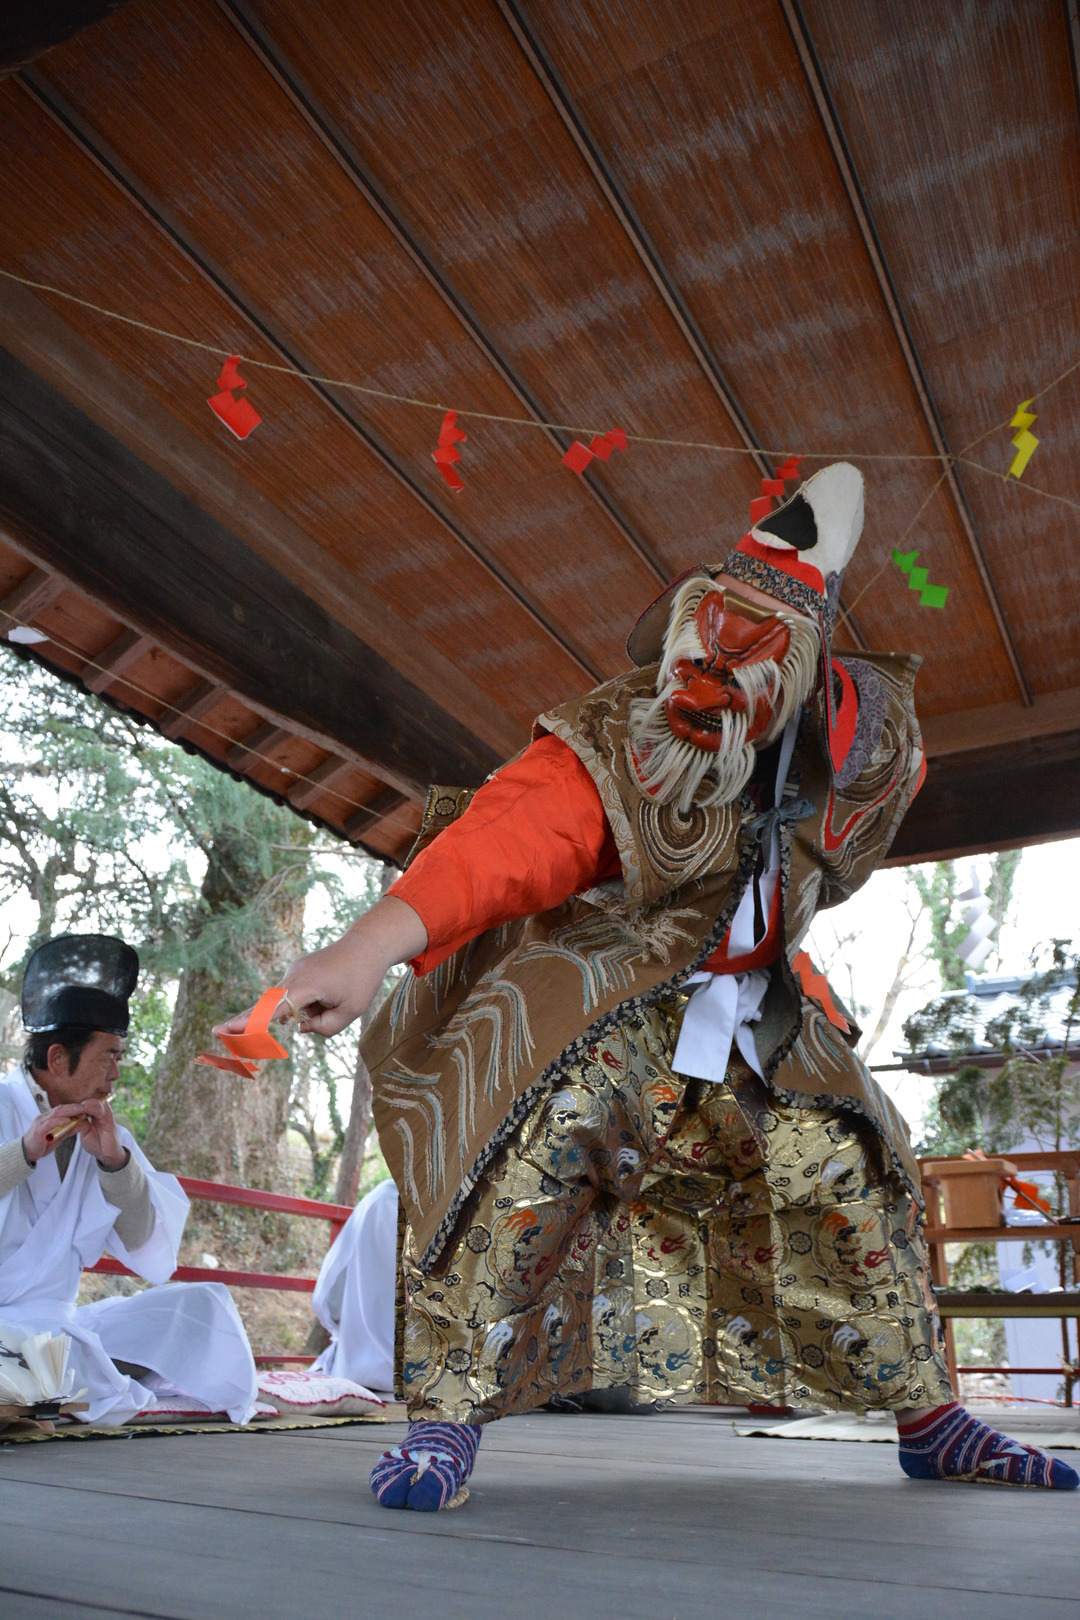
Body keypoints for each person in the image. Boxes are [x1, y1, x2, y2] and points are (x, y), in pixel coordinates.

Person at [223, 465, 1078, 1508]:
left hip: (755, 1000)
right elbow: (510, 839)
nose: (705, 680)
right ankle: (444, 1417)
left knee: (849, 1156)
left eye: (745, 654)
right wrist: (367, 949)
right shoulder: (627, 730)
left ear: (805, 668)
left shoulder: (867, 749)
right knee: (544, 1120)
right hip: (609, 980)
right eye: (697, 645)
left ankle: (931, 1416)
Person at [0, 933, 258, 1425]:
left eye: (119, 1056)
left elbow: (144, 1245)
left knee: (203, 1308)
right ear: (57, 1059)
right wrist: (25, 1152)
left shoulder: (104, 1133)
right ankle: (45, 1385)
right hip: (12, 1330)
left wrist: (116, 1165)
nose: (117, 1072)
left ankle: (38, 1390)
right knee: (55, 1358)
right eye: (109, 1056)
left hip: (56, 1326)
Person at [311, 1176, 398, 1395]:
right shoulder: (447, 1205)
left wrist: (343, 1328)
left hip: (354, 1368)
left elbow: (327, 1295)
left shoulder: (375, 1200)